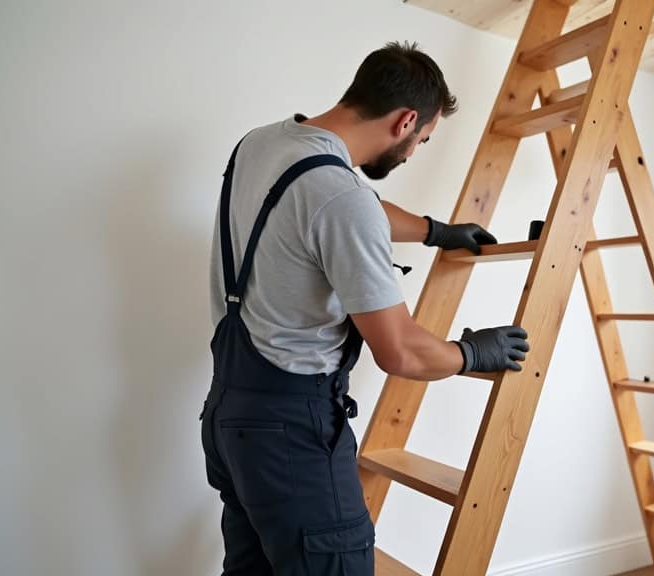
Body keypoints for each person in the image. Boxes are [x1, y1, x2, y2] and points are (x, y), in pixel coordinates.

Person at [200, 41, 530, 576]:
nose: (414, 152)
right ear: (406, 121)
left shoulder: (260, 145)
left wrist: (434, 231)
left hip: (229, 417)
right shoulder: (342, 198)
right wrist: (471, 352)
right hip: (292, 434)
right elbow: (400, 353)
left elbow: (340, 206)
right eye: (423, 140)